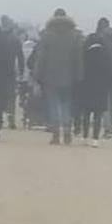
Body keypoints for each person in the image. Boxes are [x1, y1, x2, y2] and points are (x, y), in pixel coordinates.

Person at [33, 9, 83, 144]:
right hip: (70, 77)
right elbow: (79, 58)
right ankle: (67, 132)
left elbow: (41, 58)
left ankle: (56, 134)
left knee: (53, 105)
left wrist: (37, 75)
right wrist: (79, 76)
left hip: (50, 77)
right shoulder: (75, 35)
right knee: (67, 104)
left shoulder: (47, 35)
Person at [79, 22, 112, 146]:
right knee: (98, 115)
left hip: (87, 88)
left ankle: (84, 137)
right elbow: (111, 73)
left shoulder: (85, 55)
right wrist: (110, 85)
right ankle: (95, 139)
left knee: (86, 114)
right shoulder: (107, 56)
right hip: (101, 89)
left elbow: (80, 72)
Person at [0, 15, 26, 129]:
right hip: (11, 71)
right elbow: (20, 57)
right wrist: (21, 71)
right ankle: (11, 118)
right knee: (11, 96)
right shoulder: (15, 39)